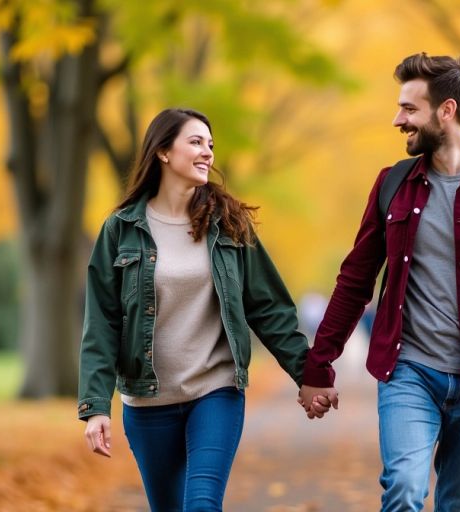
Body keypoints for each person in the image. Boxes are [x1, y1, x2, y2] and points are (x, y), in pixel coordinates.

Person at [297, 53, 460, 511]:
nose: (398, 120)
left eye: (410, 109)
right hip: (409, 370)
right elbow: (356, 279)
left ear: (446, 111)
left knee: (458, 503)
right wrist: (319, 366)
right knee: (405, 489)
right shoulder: (393, 185)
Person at [77, 108, 325, 511]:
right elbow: (102, 324)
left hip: (216, 390)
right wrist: (95, 407)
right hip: (147, 402)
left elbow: (269, 308)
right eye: (195, 142)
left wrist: (308, 374)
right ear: (162, 152)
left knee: (203, 505)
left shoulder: (229, 224)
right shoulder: (120, 230)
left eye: (210, 144)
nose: (207, 152)